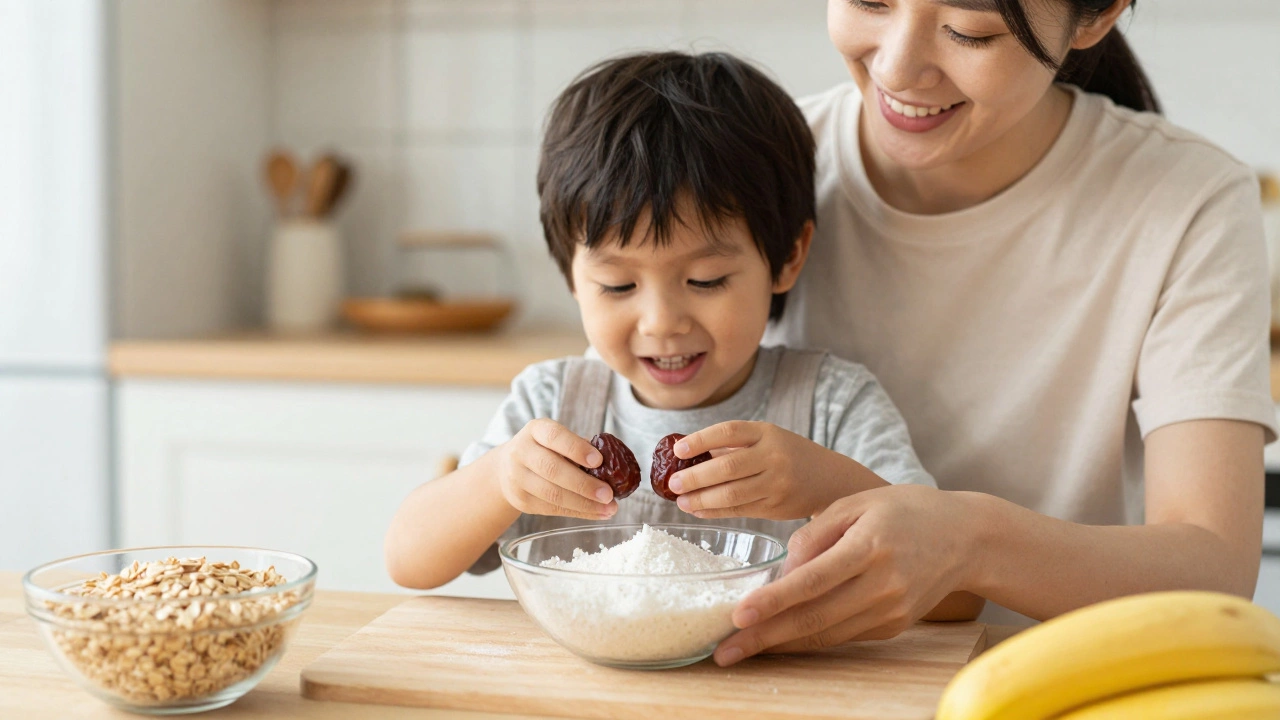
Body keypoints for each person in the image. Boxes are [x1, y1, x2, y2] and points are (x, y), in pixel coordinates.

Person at [676, 0, 1277, 667]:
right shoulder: (752, 166)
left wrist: (967, 543)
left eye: (971, 31)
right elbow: (623, 422)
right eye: (870, 1)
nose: (898, 66)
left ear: (1095, 17)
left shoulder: (1187, 200)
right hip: (787, 685)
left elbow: (1214, 568)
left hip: (1056, 688)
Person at [384, 51, 950, 596]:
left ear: (787, 258)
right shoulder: (553, 405)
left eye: (705, 281)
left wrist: (830, 485)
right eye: (618, 286)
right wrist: (499, 480)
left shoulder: (831, 405)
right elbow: (407, 561)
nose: (661, 323)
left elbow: (950, 589)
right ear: (571, 277)